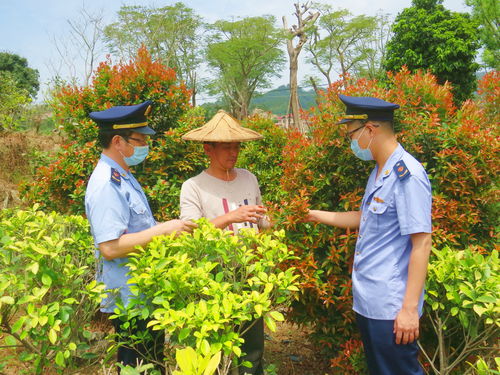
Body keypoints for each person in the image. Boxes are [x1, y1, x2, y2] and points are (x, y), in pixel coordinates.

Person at [305, 95, 432, 375]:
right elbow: (366, 220)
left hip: (392, 306)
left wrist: (410, 310)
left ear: (370, 130)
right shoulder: (379, 171)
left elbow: (421, 243)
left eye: (352, 134)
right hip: (370, 301)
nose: (351, 142)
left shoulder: (406, 175)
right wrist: (312, 214)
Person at [85, 100, 196, 373]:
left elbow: (136, 228)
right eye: (140, 140)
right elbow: (110, 248)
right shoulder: (106, 183)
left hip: (142, 292)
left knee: (151, 362)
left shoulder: (123, 176)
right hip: (129, 297)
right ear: (118, 141)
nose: (145, 146)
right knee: (137, 365)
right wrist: (163, 230)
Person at [179, 110, 269, 375]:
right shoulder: (194, 186)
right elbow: (190, 231)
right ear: (208, 148)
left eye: (237, 147)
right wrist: (232, 216)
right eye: (227, 147)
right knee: (214, 341)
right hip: (214, 273)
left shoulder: (248, 177)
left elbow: (260, 220)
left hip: (250, 270)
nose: (233, 153)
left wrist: (270, 220)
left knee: (252, 340)